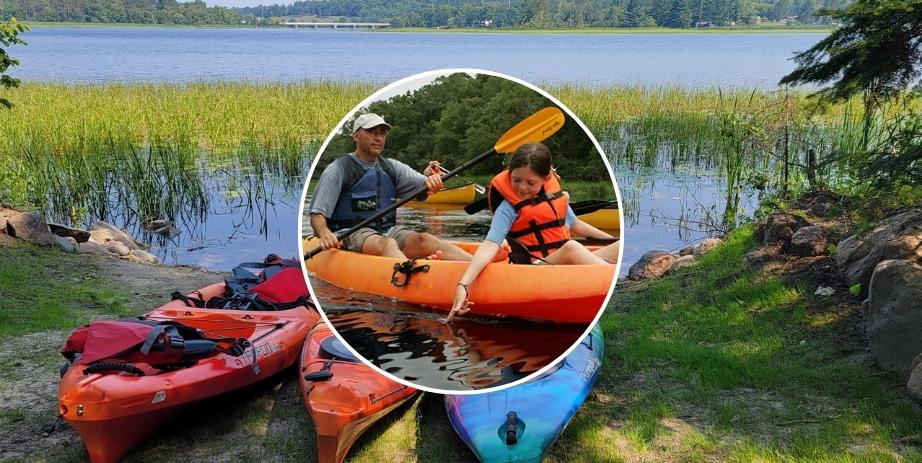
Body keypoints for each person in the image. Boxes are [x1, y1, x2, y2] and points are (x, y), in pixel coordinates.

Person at [446, 142, 619, 323]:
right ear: (509, 174)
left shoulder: (551, 197)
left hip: (561, 261)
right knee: (572, 248)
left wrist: (610, 240)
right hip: (533, 266)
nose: (522, 188)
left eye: (531, 182)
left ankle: (609, 273)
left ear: (546, 178)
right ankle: (616, 284)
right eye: (516, 180)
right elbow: (490, 244)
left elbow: (575, 224)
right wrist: (464, 283)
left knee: (618, 246)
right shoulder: (508, 208)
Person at [309, 113, 473, 261]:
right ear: (356, 136)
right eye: (372, 132)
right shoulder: (338, 169)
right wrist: (325, 233)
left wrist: (431, 181)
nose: (378, 138)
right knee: (387, 244)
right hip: (350, 233)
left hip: (388, 230)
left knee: (425, 239)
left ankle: (477, 265)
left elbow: (423, 182)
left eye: (382, 133)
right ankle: (410, 274)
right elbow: (317, 214)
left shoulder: (392, 167)